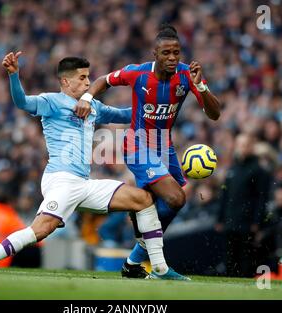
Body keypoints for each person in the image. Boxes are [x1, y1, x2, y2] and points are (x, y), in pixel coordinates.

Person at [0, 52, 188, 280]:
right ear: (66, 81)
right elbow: (22, 102)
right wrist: (13, 76)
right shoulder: (51, 102)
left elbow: (125, 115)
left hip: (83, 183)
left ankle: (159, 268)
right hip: (61, 180)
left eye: (89, 77)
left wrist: (161, 107)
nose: (88, 82)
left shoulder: (94, 106)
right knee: (40, 230)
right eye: (82, 78)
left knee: (143, 200)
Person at [74, 24, 221, 278]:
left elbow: (215, 114)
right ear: (155, 54)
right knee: (176, 198)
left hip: (164, 146)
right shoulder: (137, 73)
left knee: (162, 203)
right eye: (166, 53)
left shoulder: (188, 75)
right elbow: (103, 81)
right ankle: (156, 260)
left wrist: (202, 87)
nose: (173, 58)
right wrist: (86, 99)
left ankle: (133, 259)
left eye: (176, 52)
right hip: (137, 143)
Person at [215, 133, 272, 277]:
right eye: (240, 144)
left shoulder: (259, 170)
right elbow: (225, 196)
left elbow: (262, 198)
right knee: (229, 256)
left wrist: (257, 221)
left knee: (245, 257)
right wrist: (220, 218)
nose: (242, 148)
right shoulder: (232, 168)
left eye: (245, 145)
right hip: (230, 220)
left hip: (246, 222)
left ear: (252, 147)